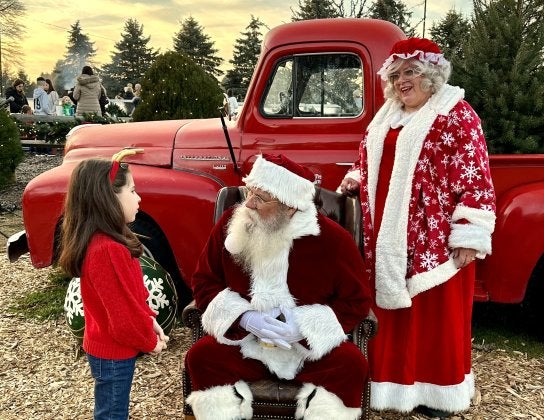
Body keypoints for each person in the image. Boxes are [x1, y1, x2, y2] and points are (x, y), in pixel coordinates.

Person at [338, 38, 496, 418]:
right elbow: (368, 157)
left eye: (410, 72)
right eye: (395, 74)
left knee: (433, 313)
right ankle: (386, 386)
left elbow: (475, 177)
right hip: (386, 233)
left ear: (431, 75)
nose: (401, 80)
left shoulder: (456, 115)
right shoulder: (387, 114)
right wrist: (357, 178)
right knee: (390, 310)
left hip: (433, 236)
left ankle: (436, 393)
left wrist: (469, 233)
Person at [185, 153, 371, 420]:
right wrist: (245, 318)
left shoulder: (333, 240)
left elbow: (356, 301)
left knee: (351, 364)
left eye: (261, 198)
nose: (248, 203)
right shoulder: (231, 224)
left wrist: (303, 327)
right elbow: (204, 282)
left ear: (290, 206)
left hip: (304, 350)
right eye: (250, 191)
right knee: (201, 357)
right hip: (245, 342)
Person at [57, 149, 169, 419]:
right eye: (132, 191)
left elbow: (130, 297)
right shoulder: (107, 250)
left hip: (107, 346)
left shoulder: (105, 241)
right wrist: (148, 342)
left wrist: (150, 320)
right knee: (111, 414)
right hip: (113, 353)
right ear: (107, 199)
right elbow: (122, 316)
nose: (139, 197)